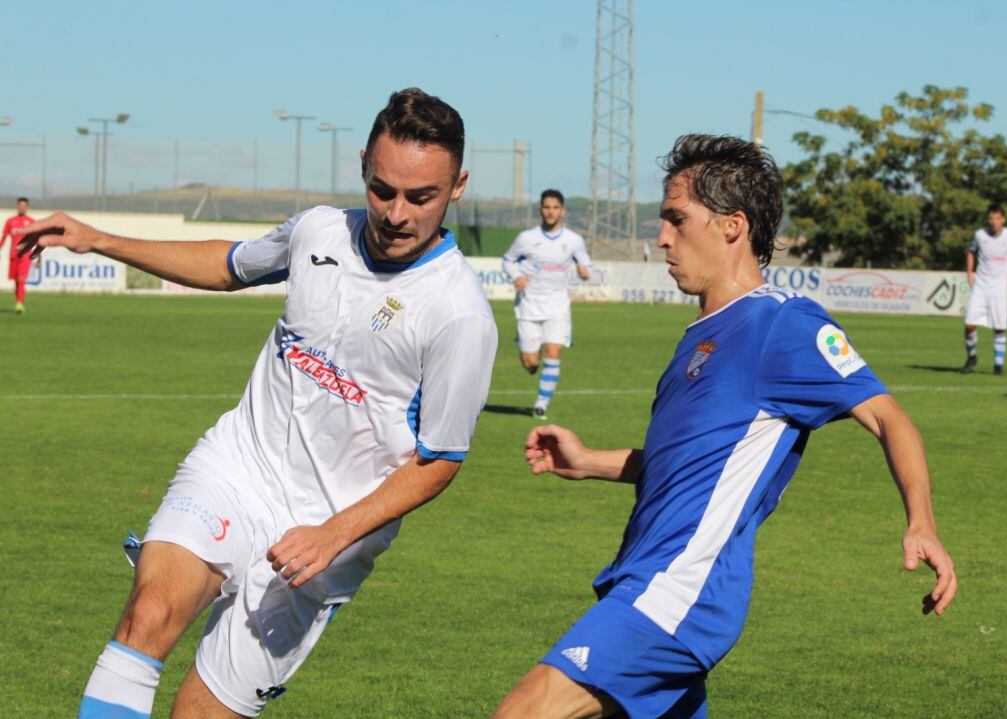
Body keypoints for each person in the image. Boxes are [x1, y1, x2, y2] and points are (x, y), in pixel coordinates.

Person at [17, 88, 498, 718]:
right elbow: (228, 266)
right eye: (383, 190)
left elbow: (438, 461)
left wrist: (334, 534)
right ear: (362, 166)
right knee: (150, 612)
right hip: (237, 469)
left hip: (322, 538)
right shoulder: (319, 230)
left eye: (421, 196)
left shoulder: (460, 314)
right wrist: (96, 237)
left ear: (457, 185)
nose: (397, 213)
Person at [493, 135, 957, 719]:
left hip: (679, 591)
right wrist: (589, 462)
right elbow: (692, 464)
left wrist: (923, 521)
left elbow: (889, 417)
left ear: (732, 225)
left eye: (676, 219)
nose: (662, 237)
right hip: (648, 579)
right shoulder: (697, 338)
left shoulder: (782, 323)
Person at [501, 189, 592, 419]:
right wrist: (516, 277)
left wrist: (584, 272)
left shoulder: (573, 240)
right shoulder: (526, 238)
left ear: (563, 212)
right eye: (547, 207)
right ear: (541, 210)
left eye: (555, 207)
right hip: (529, 306)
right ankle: (529, 352)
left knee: (553, 352)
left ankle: (541, 404)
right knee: (531, 362)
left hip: (557, 306)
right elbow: (508, 260)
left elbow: (586, 266)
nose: (551, 212)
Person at [961, 205, 1007, 375]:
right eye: (991, 218)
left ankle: (998, 365)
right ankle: (972, 356)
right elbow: (970, 252)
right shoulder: (980, 235)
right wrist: (970, 273)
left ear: (1003, 219)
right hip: (980, 286)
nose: (994, 222)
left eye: (997, 218)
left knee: (999, 328)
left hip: (999, 288)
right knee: (969, 324)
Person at [2, 197, 36, 313]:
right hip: (13, 254)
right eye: (20, 205)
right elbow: (4, 237)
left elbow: (36, 240)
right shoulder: (10, 221)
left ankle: (20, 303)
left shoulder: (31, 222)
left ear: (27, 207)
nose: (22, 207)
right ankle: (18, 301)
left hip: (25, 254)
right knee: (16, 280)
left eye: (24, 205)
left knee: (21, 279)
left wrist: (38, 254)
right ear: (17, 206)